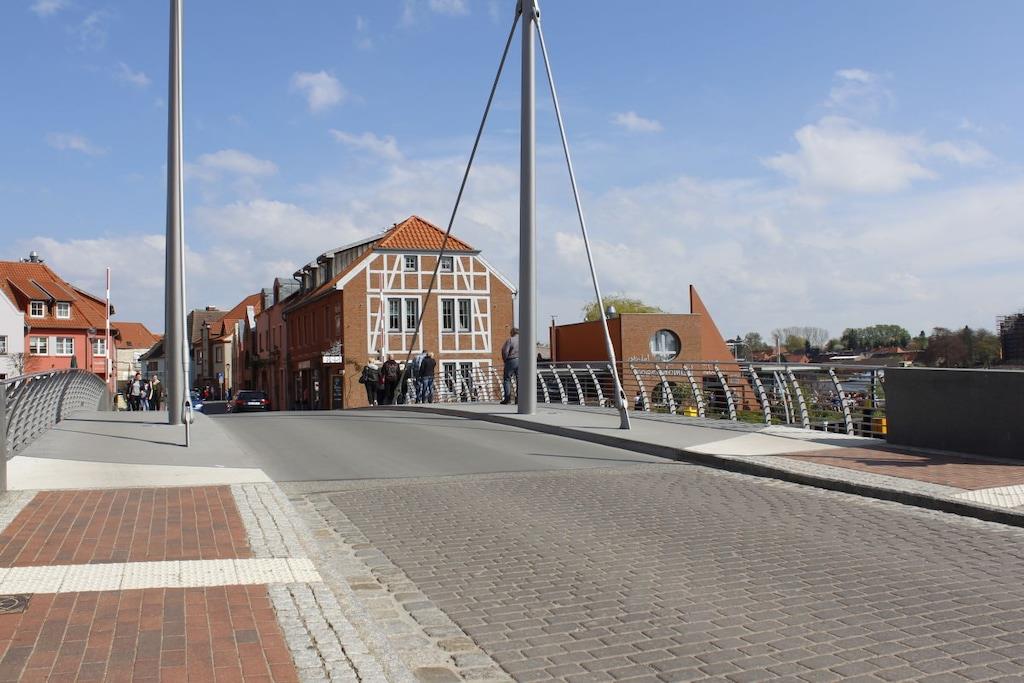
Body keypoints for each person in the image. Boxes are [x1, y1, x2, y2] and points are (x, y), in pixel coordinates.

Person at [500, 327, 519, 404]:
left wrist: (505, 360)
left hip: (511, 360)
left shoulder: (510, 340)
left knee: (507, 379)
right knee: (520, 380)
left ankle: (507, 399)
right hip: (522, 361)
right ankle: (519, 398)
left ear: (512, 333)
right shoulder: (524, 340)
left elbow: (505, 351)